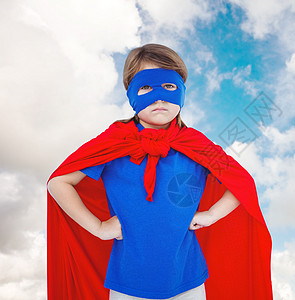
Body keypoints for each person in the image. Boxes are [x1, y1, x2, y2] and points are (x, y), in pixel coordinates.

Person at [47, 44, 273, 300]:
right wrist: (98, 227)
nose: (159, 97)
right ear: (131, 93)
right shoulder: (116, 140)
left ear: (181, 92)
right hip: (127, 283)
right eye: (146, 87)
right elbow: (59, 182)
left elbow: (241, 182)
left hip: (188, 280)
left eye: (169, 86)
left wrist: (211, 214)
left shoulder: (194, 143)